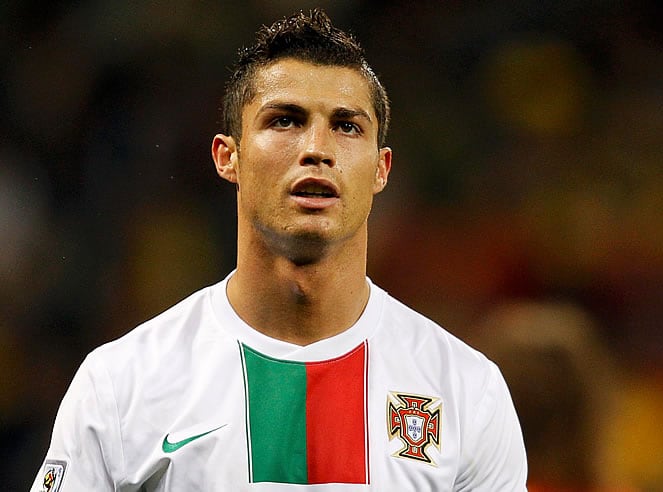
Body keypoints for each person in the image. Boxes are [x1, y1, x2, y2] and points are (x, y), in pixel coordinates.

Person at [31, 9, 527, 491]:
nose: (317, 147)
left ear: (381, 169)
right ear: (229, 157)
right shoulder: (122, 385)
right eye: (285, 121)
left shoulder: (465, 391)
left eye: (347, 126)